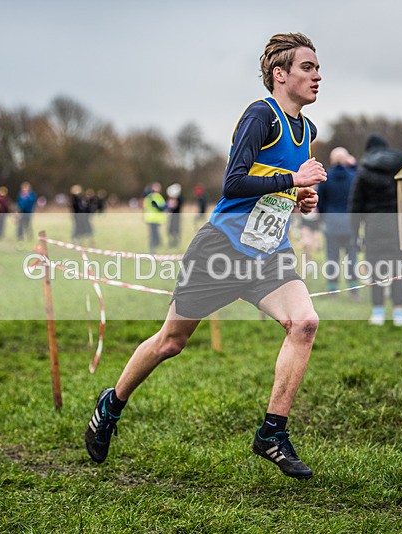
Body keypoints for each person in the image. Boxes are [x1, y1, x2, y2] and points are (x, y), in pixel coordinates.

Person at [85, 32, 326, 479]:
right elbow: (233, 184)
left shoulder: (307, 129)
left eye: (317, 67)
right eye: (307, 67)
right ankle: (112, 403)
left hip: (269, 252)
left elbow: (277, 188)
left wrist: (299, 197)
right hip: (222, 249)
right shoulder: (262, 115)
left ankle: (272, 433)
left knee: (305, 322)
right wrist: (292, 177)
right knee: (170, 342)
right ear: (280, 75)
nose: (317, 75)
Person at [349, 134, 402, 326]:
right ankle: (399, 311)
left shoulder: (364, 171)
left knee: (375, 269)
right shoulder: (401, 166)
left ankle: (378, 311)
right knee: (398, 268)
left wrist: (356, 233)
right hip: (398, 224)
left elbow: (355, 205)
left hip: (373, 226)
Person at [317, 147, 359, 295]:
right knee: (351, 257)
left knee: (332, 257)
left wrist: (323, 217)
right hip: (350, 222)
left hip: (331, 222)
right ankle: (353, 287)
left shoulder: (325, 177)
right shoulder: (354, 177)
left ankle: (332, 288)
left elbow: (320, 202)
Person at [143, 182, 167, 254]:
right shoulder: (150, 197)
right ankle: (152, 250)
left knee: (155, 235)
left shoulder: (159, 196)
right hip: (151, 219)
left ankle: (155, 247)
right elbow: (148, 206)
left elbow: (163, 206)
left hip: (157, 220)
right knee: (153, 235)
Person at [166, 183, 184, 248]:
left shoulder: (179, 199)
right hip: (172, 216)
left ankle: (175, 242)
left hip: (177, 217)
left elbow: (174, 206)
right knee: (170, 230)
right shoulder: (172, 199)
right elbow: (169, 206)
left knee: (176, 230)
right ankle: (172, 242)